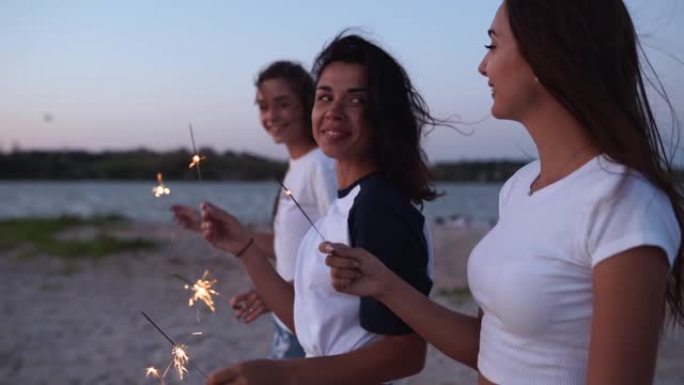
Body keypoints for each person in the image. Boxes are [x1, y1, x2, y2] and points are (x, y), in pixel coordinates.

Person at [324, 1, 684, 384]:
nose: (483, 67)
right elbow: (488, 349)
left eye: (492, 45)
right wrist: (385, 284)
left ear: (546, 56)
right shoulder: (520, 187)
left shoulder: (623, 202)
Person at [199, 33, 440, 385]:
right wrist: (245, 248)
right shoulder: (346, 203)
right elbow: (311, 324)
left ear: (383, 113)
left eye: (355, 100)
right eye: (325, 97)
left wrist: (285, 374)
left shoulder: (378, 207)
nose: (333, 111)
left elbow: (406, 353)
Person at [172, 60, 337, 360]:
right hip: (289, 321)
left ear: (307, 104)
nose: (271, 115)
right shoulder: (298, 167)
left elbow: (341, 251)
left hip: (311, 320)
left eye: (282, 104)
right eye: (263, 106)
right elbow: (284, 246)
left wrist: (287, 291)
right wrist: (206, 227)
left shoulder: (321, 165)